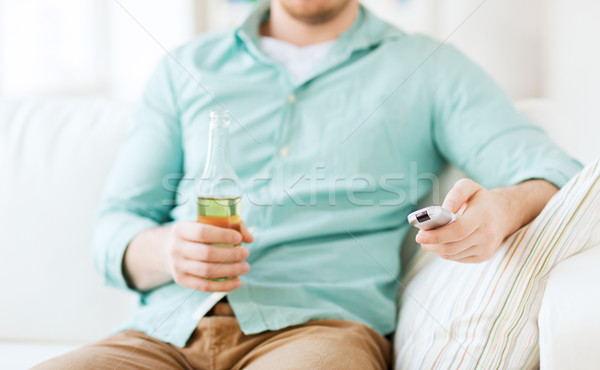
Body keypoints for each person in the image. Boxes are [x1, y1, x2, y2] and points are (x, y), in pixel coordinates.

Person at [35, 0, 581, 368]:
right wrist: (163, 250)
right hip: (163, 334)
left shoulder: (429, 67)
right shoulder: (187, 66)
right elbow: (113, 227)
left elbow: (553, 171)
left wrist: (503, 211)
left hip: (319, 334)